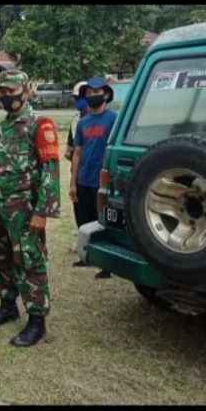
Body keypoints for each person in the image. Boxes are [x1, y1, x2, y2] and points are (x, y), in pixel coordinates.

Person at [0, 70, 61, 348]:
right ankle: (8, 305)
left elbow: (51, 170)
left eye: (10, 91)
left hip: (24, 210)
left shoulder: (39, 125)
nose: (4, 96)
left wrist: (42, 211)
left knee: (29, 261)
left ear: (26, 91)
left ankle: (36, 321)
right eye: (1, 91)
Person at [70, 76, 118, 279]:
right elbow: (77, 153)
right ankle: (86, 256)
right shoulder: (82, 122)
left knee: (103, 221)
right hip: (83, 179)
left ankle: (106, 265)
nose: (92, 96)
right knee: (84, 219)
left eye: (96, 92)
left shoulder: (114, 119)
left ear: (106, 94)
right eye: (88, 93)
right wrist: (73, 182)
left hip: (102, 181)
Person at [65, 81, 89, 238]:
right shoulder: (75, 120)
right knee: (79, 210)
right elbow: (68, 151)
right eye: (75, 98)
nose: (77, 101)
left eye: (79, 98)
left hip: (93, 173)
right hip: (78, 173)